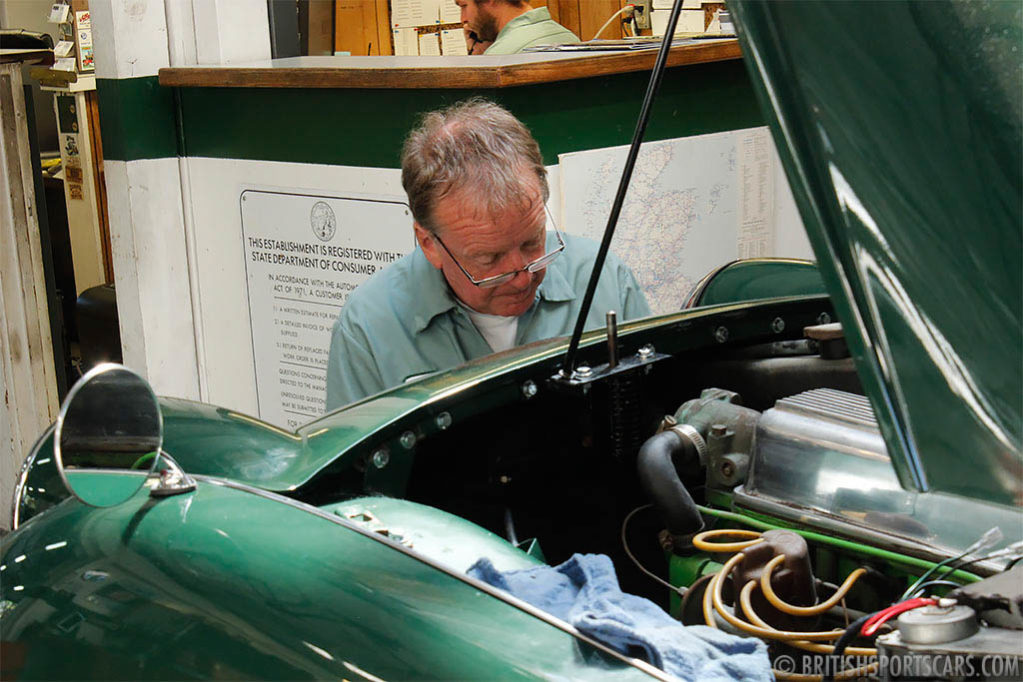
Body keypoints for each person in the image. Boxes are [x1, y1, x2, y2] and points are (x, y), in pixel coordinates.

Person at [325, 99, 650, 410]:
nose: (523, 276)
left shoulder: (604, 278)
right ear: (428, 244)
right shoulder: (369, 329)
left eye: (532, 242)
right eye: (489, 260)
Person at [457, 0, 579, 55]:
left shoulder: (501, 56)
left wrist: (483, 62)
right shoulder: (570, 37)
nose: (463, 19)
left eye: (464, 6)